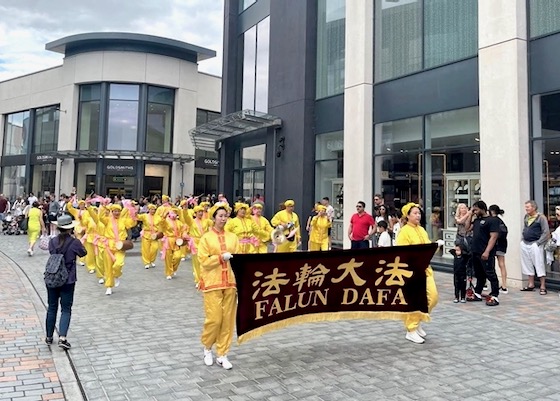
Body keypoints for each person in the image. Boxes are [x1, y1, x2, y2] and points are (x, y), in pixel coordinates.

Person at [197, 203, 240, 370]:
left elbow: (239, 258)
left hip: (230, 283)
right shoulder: (206, 238)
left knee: (228, 320)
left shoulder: (233, 237)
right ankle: (207, 347)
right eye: (220, 216)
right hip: (212, 283)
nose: (223, 219)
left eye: (225, 216)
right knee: (214, 319)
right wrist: (220, 258)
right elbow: (203, 260)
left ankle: (222, 353)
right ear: (214, 217)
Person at [396, 202, 439, 344]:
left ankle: (417, 321)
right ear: (407, 216)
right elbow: (402, 253)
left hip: (425, 269)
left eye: (419, 213)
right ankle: (411, 329)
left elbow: (427, 248)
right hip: (412, 271)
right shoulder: (404, 231)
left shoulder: (422, 230)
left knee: (432, 298)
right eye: (414, 213)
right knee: (415, 300)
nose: (418, 215)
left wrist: (435, 246)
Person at [45, 214, 87, 350]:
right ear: (70, 228)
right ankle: (62, 337)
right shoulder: (74, 242)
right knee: (66, 309)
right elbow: (83, 253)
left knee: (52, 307)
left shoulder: (52, 242)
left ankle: (49, 336)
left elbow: (52, 252)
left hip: (52, 277)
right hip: (68, 279)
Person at [465, 201, 500, 306]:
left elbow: (493, 237)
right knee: (479, 274)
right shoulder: (476, 221)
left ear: (482, 208)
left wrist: (487, 251)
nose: (474, 211)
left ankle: (494, 294)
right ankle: (478, 292)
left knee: (490, 273)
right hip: (475, 251)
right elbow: (467, 228)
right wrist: (470, 214)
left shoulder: (492, 220)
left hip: (485, 252)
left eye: (476, 209)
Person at [520, 200, 549, 294]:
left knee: (539, 263)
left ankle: (543, 286)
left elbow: (546, 232)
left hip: (535, 243)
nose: (526, 209)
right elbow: (525, 227)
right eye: (526, 207)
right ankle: (531, 284)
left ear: (533, 207)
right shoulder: (526, 217)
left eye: (528, 207)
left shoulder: (541, 217)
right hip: (525, 242)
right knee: (527, 263)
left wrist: (539, 242)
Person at [489, 204, 509, 294]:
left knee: (490, 264)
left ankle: (489, 284)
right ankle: (504, 285)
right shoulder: (500, 221)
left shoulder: (493, 221)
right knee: (502, 264)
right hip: (501, 245)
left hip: (494, 245)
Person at [136, 204, 161, 269]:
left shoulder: (158, 217)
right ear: (149, 210)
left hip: (154, 235)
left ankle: (152, 260)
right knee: (145, 249)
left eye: (154, 209)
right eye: (152, 209)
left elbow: (162, 223)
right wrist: (134, 211)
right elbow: (137, 217)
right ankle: (146, 262)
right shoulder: (145, 216)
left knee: (155, 248)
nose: (153, 211)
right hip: (146, 234)